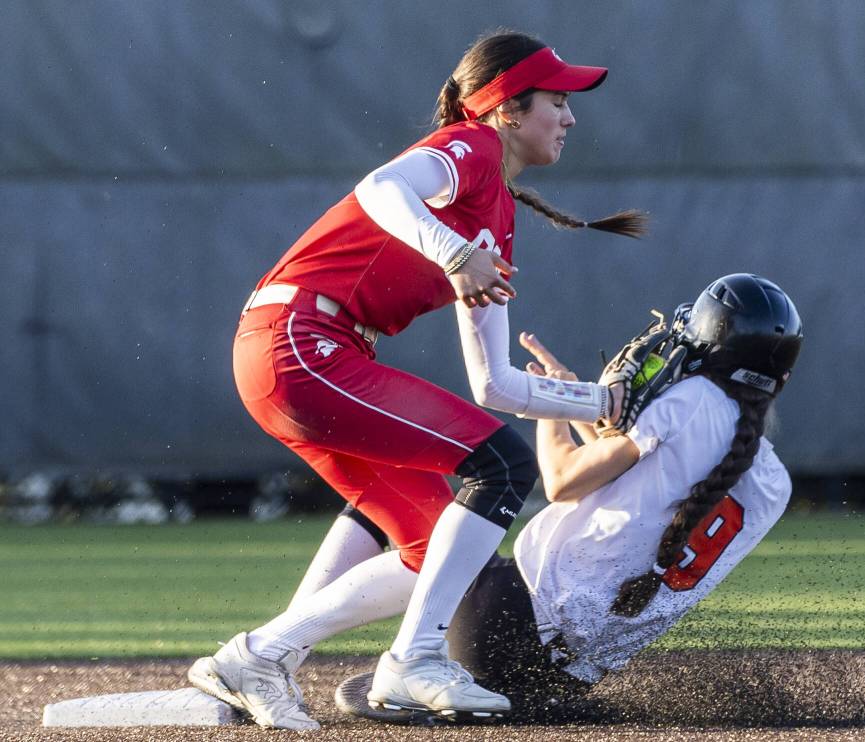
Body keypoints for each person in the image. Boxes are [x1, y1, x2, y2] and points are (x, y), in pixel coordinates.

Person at [187, 30, 645, 731]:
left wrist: (604, 401)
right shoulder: (475, 147)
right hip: (300, 345)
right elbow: (382, 188)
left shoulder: (494, 216)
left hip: (308, 355)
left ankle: (263, 657)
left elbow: (496, 386)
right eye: (558, 99)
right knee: (501, 466)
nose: (572, 117)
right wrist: (454, 249)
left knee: (434, 544)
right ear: (508, 109)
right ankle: (412, 662)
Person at [335, 273, 804, 722]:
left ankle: (284, 645)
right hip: (560, 678)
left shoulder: (695, 397)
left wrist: (552, 408)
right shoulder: (772, 484)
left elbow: (560, 481)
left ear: (707, 348)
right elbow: (640, 489)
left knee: (405, 494)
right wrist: (577, 402)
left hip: (497, 622)